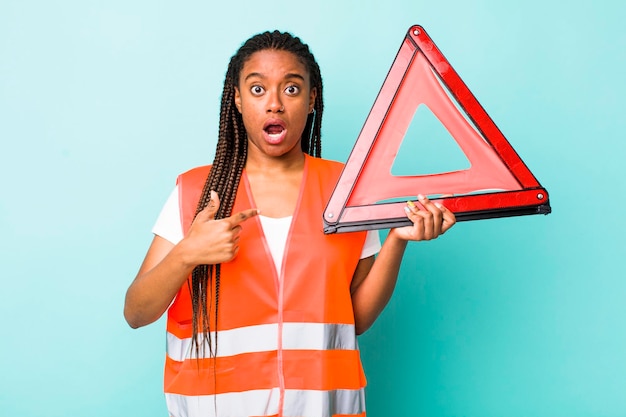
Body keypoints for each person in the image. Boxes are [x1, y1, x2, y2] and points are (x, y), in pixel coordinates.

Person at [124, 30, 456, 417]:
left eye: (292, 89)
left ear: (312, 99)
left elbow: (356, 319)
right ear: (237, 98)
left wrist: (398, 239)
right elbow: (136, 312)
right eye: (258, 89)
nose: (275, 104)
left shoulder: (345, 191)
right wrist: (187, 254)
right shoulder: (196, 191)